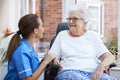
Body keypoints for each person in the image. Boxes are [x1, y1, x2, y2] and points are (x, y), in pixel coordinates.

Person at [48, 5, 116, 80]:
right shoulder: (62, 35)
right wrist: (54, 59)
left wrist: (101, 67)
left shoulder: (92, 36)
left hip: (92, 73)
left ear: (85, 22)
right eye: (69, 19)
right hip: (69, 72)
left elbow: (110, 57)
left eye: (75, 19)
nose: (70, 22)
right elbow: (51, 55)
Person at [3, 14, 55, 80]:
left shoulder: (30, 48)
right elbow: (28, 79)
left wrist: (47, 59)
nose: (43, 29)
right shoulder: (21, 51)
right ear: (35, 30)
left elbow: (36, 70)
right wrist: (45, 62)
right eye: (42, 26)